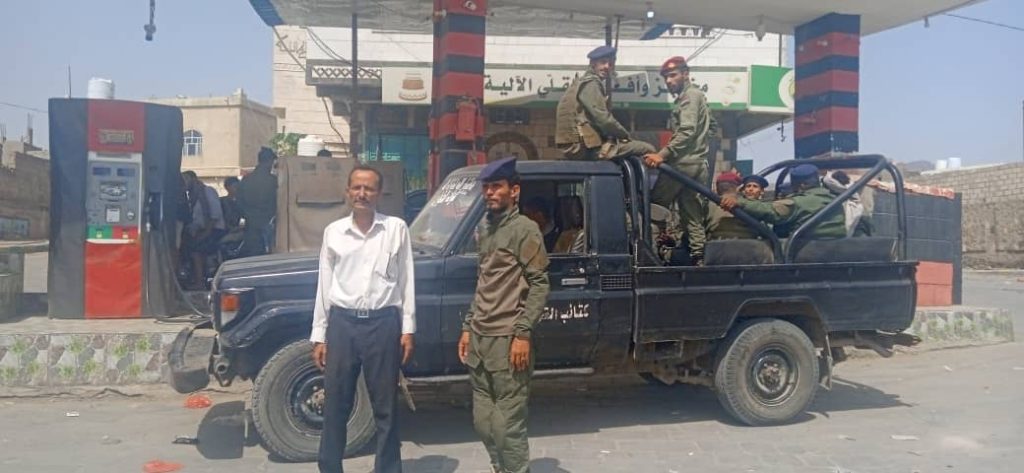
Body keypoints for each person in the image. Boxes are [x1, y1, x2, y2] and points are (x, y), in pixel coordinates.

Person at [312, 165, 416, 473]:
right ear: (347, 192)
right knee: (336, 405)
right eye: (356, 187)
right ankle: (330, 467)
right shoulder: (334, 232)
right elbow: (324, 285)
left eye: (369, 188)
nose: (362, 194)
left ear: (379, 193)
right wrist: (319, 334)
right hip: (343, 326)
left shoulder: (395, 229)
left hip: (383, 325)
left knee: (386, 407)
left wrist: (408, 329)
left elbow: (407, 280)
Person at [458, 157, 550, 473]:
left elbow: (539, 284)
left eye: (497, 186)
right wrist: (468, 326)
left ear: (514, 191)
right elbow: (484, 281)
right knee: (483, 422)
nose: (490, 193)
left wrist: (523, 333)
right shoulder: (485, 227)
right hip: (480, 338)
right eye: (486, 187)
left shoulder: (525, 230)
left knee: (507, 426)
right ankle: (499, 467)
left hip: (509, 338)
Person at [643, 55, 717, 266]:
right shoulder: (698, 96)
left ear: (685, 74)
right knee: (692, 213)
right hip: (697, 164)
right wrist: (699, 149)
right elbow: (712, 127)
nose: (668, 81)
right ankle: (698, 257)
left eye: (673, 75)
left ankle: (648, 254)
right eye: (666, 77)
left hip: (682, 164)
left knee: (653, 207)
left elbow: (686, 131)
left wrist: (662, 155)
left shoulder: (689, 97)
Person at [555, 46, 655, 160]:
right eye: (603, 62)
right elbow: (603, 119)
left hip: (576, 145)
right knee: (647, 148)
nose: (607, 67)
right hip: (584, 147)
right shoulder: (591, 83)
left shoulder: (580, 82)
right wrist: (625, 135)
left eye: (611, 64)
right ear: (593, 64)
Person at [721, 164, 845, 239]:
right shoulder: (833, 199)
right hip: (835, 249)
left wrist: (739, 202)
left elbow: (771, 211)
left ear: (802, 185)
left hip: (805, 252)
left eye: (794, 185)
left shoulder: (798, 202)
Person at [180, 171, 227, 289]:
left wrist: (206, 233)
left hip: (214, 229)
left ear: (193, 179)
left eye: (186, 180)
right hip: (201, 229)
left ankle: (199, 281)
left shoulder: (208, 192)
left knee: (196, 248)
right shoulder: (192, 196)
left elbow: (215, 215)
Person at [238, 147, 278, 256]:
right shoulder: (274, 181)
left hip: (250, 225)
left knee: (253, 256)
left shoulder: (246, 180)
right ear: (269, 162)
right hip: (269, 224)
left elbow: (238, 203)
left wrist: (248, 215)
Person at [706, 172, 757, 241]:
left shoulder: (708, 206)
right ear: (738, 188)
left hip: (714, 246)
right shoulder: (751, 206)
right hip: (748, 246)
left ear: (717, 188)